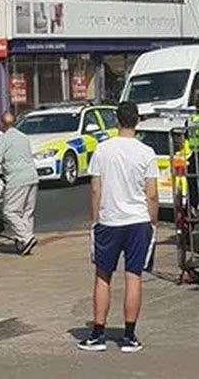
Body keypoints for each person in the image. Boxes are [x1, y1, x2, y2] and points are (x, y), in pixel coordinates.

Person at [78, 102, 158, 353]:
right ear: (137, 121)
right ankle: (130, 336)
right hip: (138, 221)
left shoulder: (102, 150)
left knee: (103, 276)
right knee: (133, 276)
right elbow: (152, 194)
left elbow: (95, 188)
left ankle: (98, 333)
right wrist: (152, 222)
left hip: (109, 220)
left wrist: (95, 220)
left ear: (116, 121)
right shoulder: (147, 152)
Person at [0, 112, 39, 256]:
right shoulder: (24, 137)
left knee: (10, 211)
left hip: (16, 178)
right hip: (32, 176)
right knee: (27, 211)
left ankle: (26, 237)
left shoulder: (4, 139)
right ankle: (25, 241)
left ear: (2, 123)